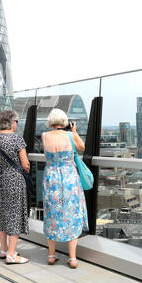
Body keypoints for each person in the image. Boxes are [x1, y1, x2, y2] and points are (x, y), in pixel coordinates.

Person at [42, 108, 89, 268]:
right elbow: (82, 147)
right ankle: (73, 258)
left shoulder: (44, 136)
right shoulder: (69, 135)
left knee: (52, 214)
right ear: (64, 121)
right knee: (72, 213)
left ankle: (51, 255)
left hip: (51, 178)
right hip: (69, 178)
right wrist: (74, 131)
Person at [0, 109, 30, 264]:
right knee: (15, 215)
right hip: (14, 181)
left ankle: (3, 249)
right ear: (13, 123)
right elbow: (25, 163)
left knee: (1, 213)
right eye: (17, 122)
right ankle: (12, 255)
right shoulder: (17, 139)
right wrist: (25, 169)